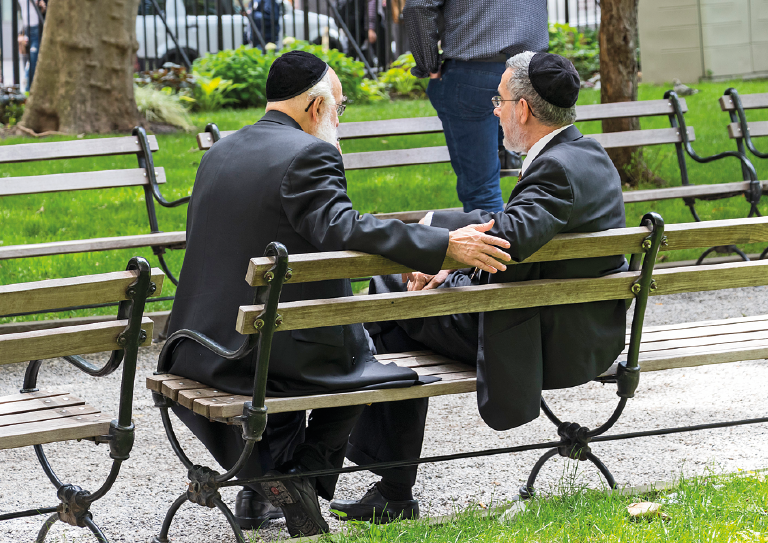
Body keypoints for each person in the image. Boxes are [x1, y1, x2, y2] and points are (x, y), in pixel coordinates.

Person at [164, 50, 512, 537]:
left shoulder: (220, 151)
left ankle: (263, 486)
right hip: (263, 356)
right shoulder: (310, 153)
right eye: (338, 110)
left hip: (197, 348)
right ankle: (296, 475)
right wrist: (442, 245)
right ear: (314, 108)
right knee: (373, 356)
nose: (338, 122)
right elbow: (341, 226)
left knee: (313, 339)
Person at [331, 52, 629, 523]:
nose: (495, 109)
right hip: (587, 331)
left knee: (389, 299)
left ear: (524, 110)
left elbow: (510, 240)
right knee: (400, 291)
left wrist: (447, 265)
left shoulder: (554, 172)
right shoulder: (589, 155)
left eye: (500, 100)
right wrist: (450, 264)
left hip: (545, 343)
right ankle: (389, 484)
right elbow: (517, 229)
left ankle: (392, 485)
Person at [403, 0, 548, 213]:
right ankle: (505, 148)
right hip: (531, 71)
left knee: (482, 191)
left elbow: (417, 5)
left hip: (474, 69)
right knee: (547, 180)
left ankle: (499, 244)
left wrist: (429, 66)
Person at [17, 0, 46, 92]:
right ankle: (27, 91)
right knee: (28, 62)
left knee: (34, 61)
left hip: (37, 29)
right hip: (26, 29)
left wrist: (42, 7)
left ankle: (29, 91)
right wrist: (20, 34)